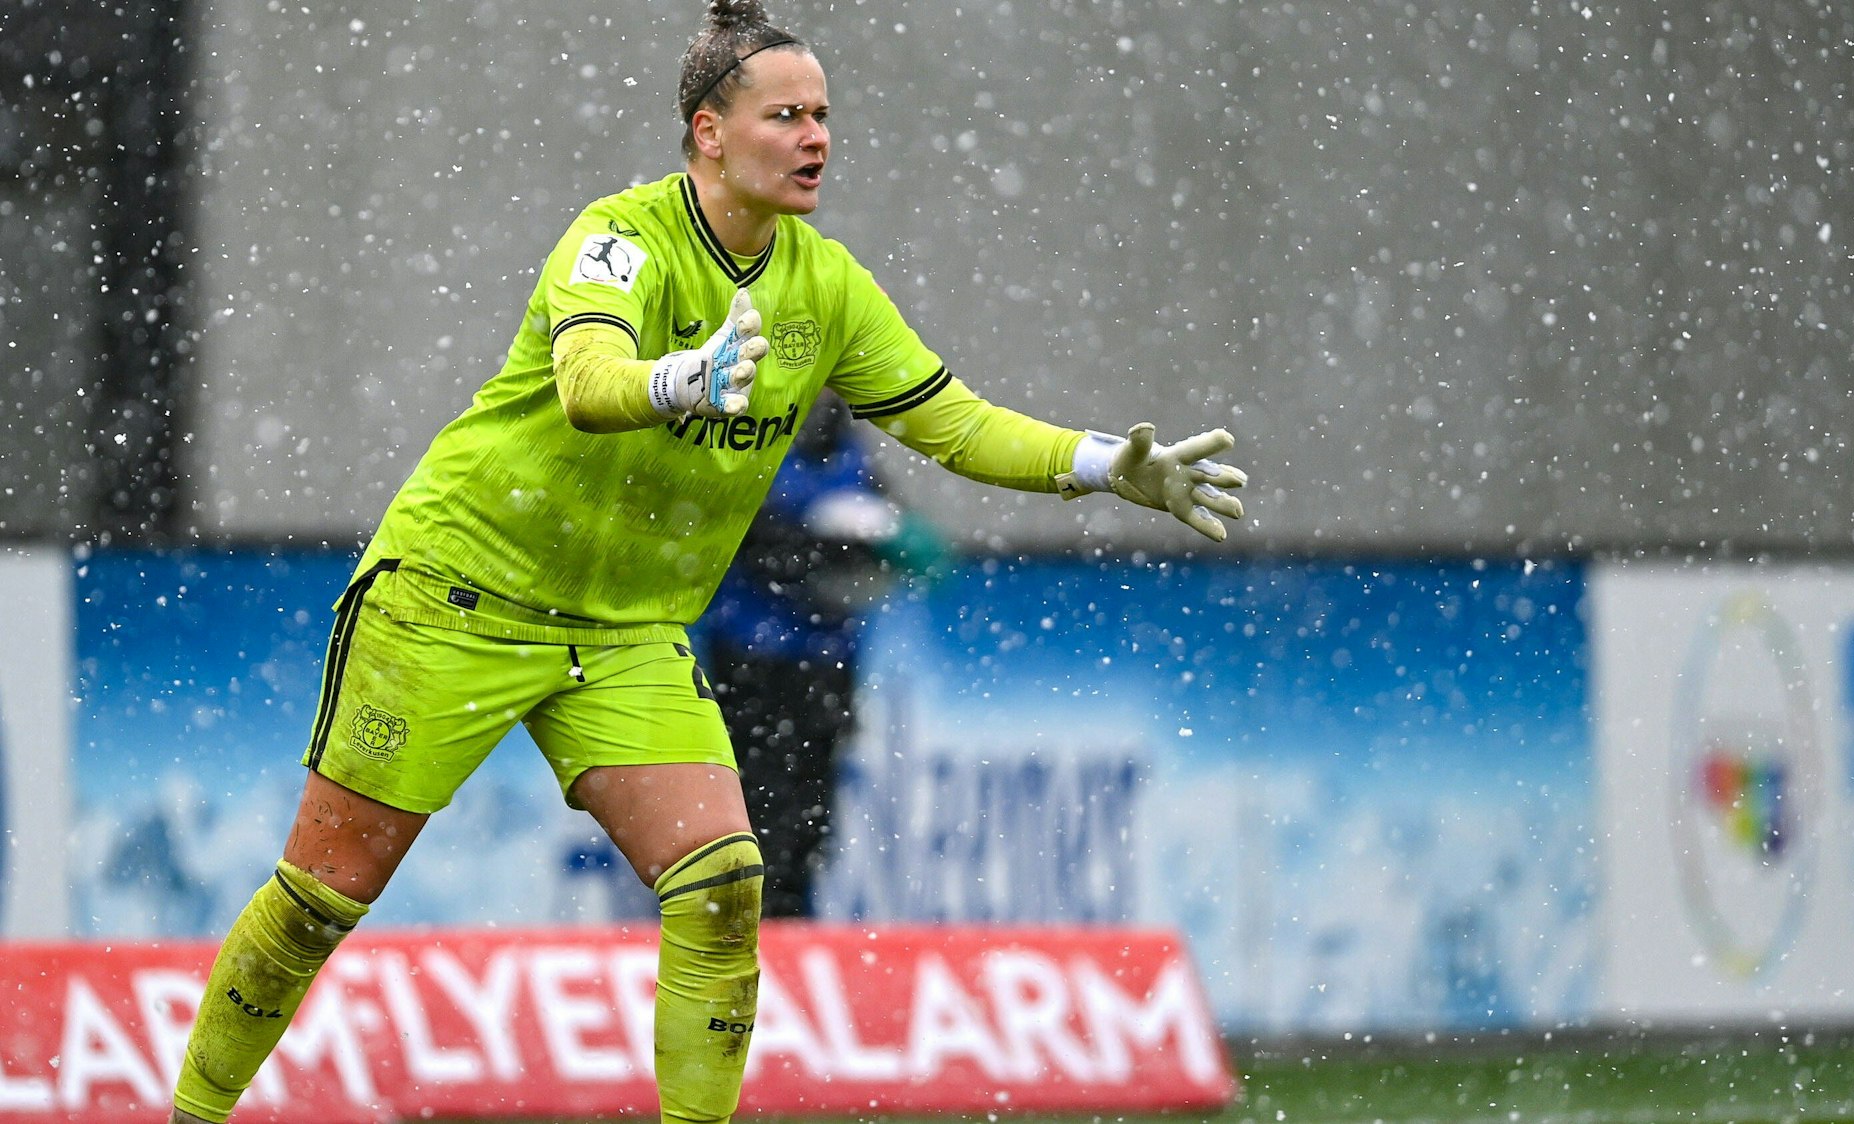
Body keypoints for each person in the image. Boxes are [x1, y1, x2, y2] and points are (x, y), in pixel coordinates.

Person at [165, 0, 1247, 1121]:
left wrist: (1101, 461)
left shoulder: (822, 284)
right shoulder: (617, 238)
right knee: (321, 898)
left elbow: (954, 422)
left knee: (726, 882)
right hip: (451, 599)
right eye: (786, 115)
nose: (817, 136)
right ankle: (191, 1114)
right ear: (708, 132)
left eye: (824, 114)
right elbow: (588, 387)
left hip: (622, 634)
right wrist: (675, 379)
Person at [702, 392, 946, 917]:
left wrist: (888, 539)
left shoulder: (854, 458)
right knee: (749, 799)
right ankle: (744, 915)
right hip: (751, 659)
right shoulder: (749, 448)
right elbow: (747, 542)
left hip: (826, 665)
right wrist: (821, 544)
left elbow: (916, 546)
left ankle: (792, 913)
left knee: (812, 803)